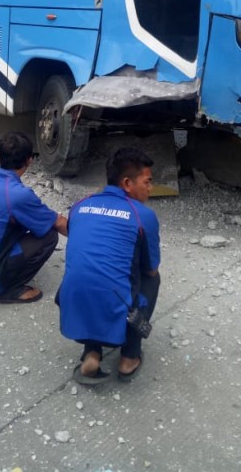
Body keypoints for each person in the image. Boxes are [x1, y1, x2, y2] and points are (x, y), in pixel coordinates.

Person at [57, 147, 161, 385]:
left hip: (71, 301)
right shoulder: (142, 215)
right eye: (147, 181)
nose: (150, 188)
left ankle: (91, 351)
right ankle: (129, 357)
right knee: (151, 280)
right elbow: (151, 269)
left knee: (93, 272)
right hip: (115, 305)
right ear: (127, 183)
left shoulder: (80, 205)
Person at [0, 132, 68, 304]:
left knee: (19, 222)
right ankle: (10, 289)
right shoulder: (17, 195)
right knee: (49, 236)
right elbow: (59, 223)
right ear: (29, 161)